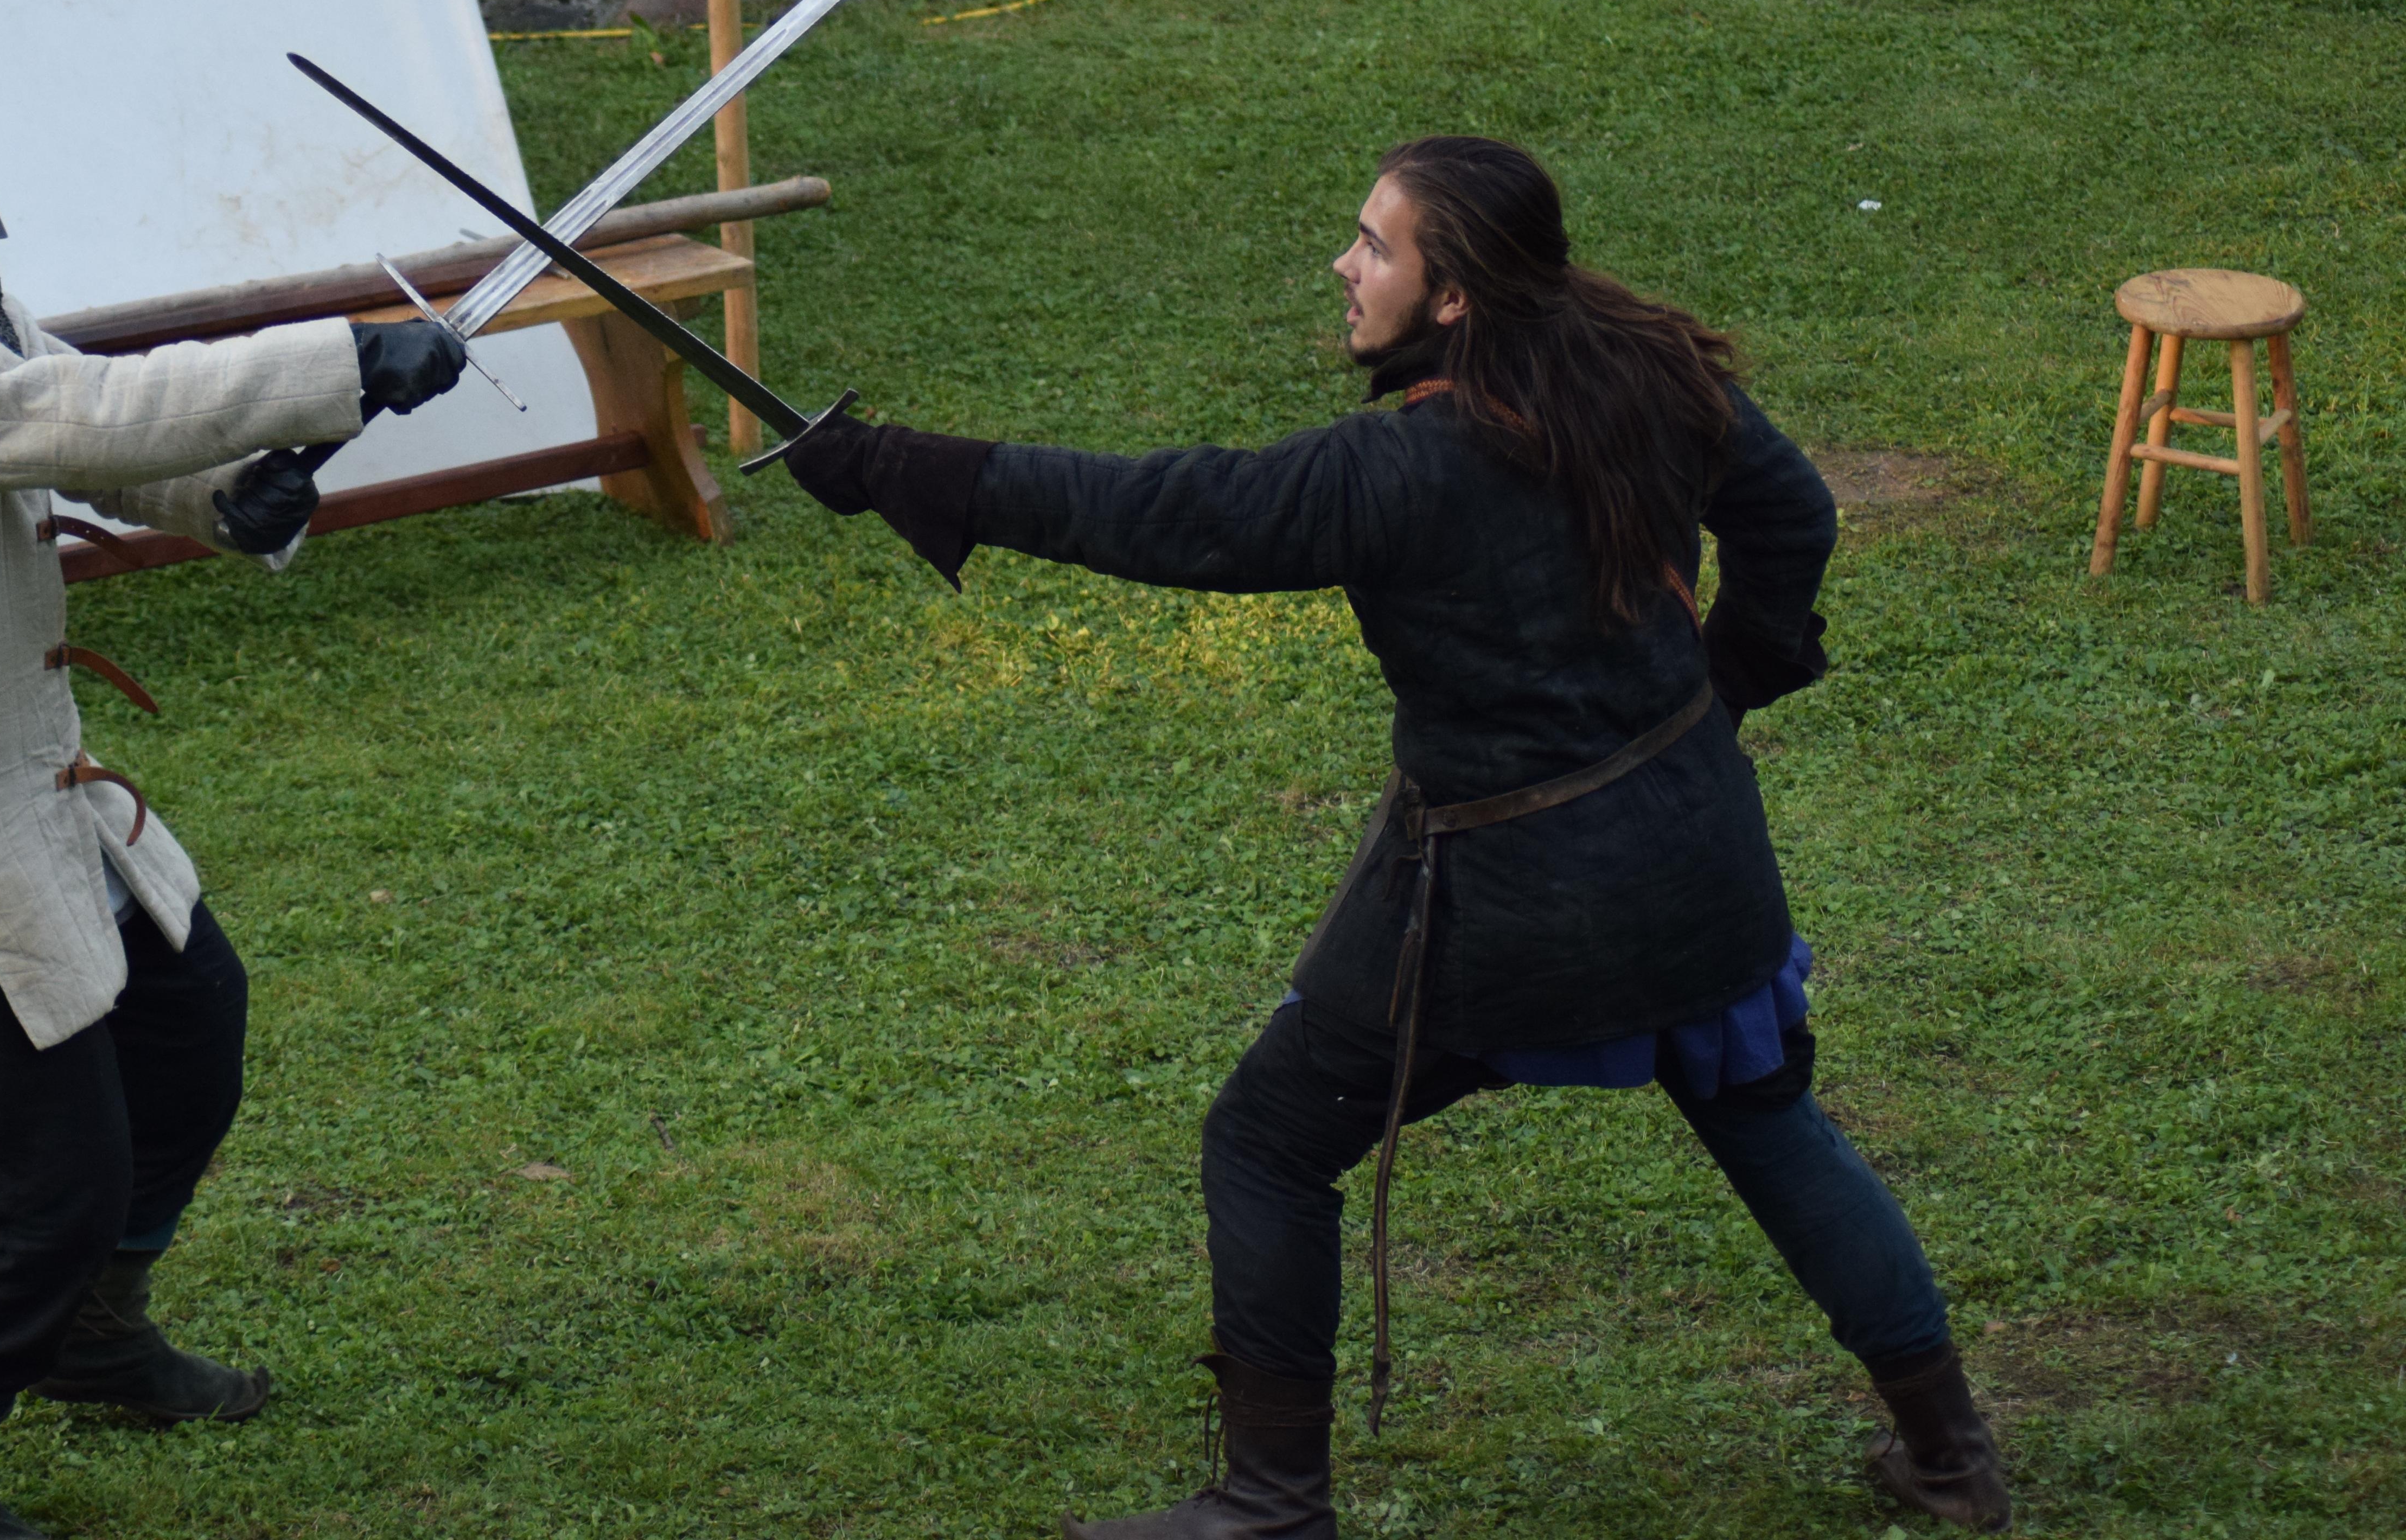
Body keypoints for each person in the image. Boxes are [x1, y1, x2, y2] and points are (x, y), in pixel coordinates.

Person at [779, 137, 2008, 1537]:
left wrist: (904, 466)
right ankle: (1953, 1458)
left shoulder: (1408, 465)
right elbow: (1791, 512)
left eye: (1376, 244)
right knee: (1766, 1118)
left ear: (1457, 295)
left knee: (1267, 1141)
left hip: (1504, 907)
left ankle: (1272, 1505)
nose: (1344, 264)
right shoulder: (1646, 364)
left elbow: (1178, 516)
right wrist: (1736, 673)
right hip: (1695, 856)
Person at [0, 48, 466, 1539]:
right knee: (57, 1170)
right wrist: (342, 360)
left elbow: (88, 435)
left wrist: (225, 503)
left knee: (191, 1032)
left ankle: (89, 1336)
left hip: (39, 780)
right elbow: (87, 418)